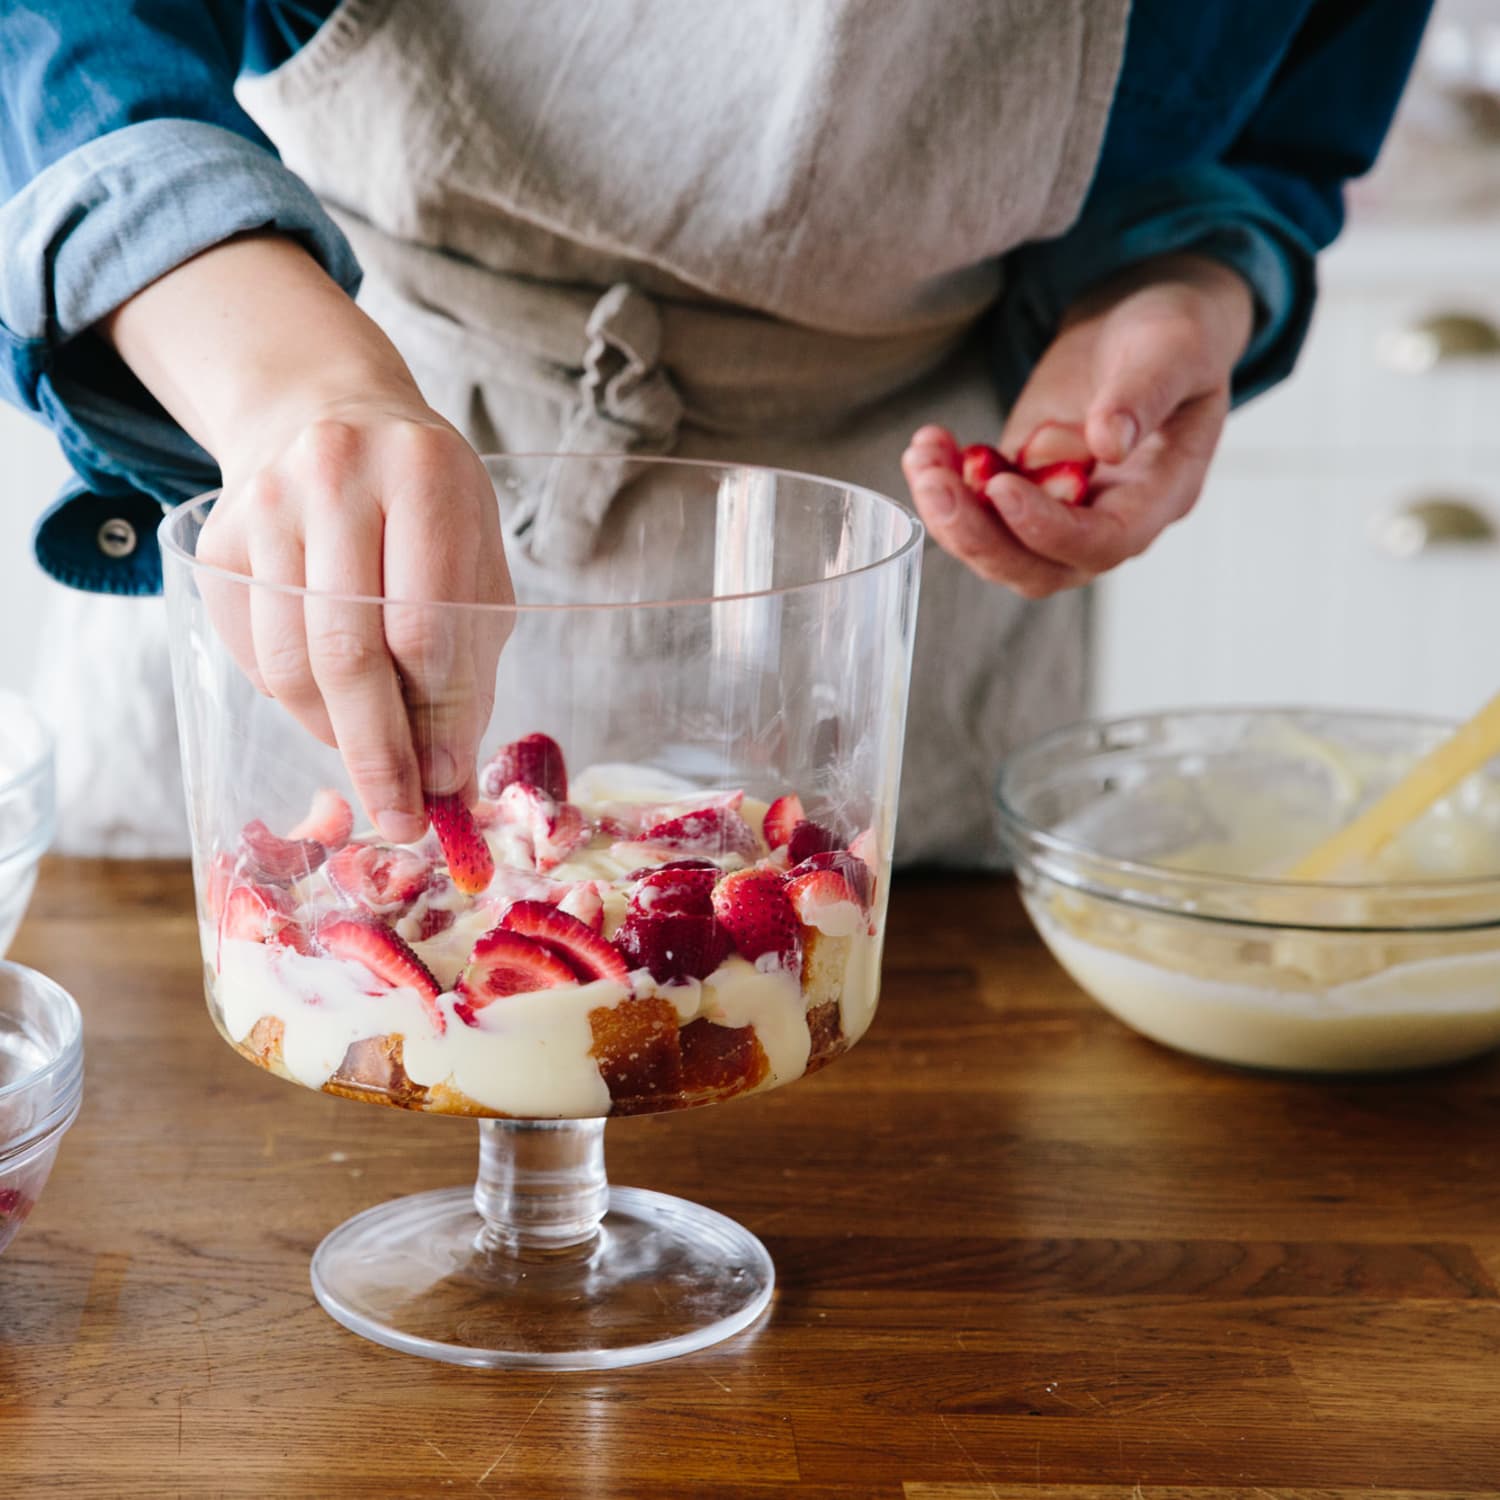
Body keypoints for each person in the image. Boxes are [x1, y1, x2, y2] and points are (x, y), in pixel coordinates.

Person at [0, 1, 1433, 863]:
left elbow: (1276, 122)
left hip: (899, 636)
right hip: (323, 483)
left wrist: (1171, 286)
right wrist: (294, 390)